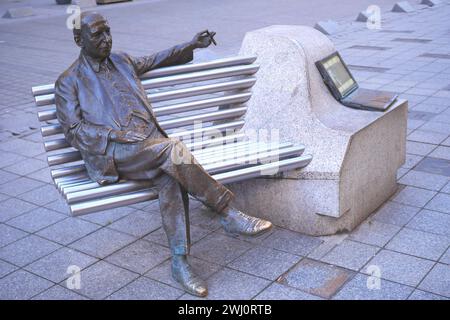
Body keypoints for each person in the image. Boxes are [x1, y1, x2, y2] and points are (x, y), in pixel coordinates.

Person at [55, 11, 272, 297]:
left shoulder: (121, 60)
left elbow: (159, 58)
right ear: (78, 39)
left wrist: (192, 45)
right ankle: (227, 211)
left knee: (169, 174)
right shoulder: (69, 81)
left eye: (108, 31)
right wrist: (113, 135)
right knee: (172, 150)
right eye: (97, 34)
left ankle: (180, 262)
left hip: (150, 147)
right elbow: (73, 131)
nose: (106, 39)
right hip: (114, 152)